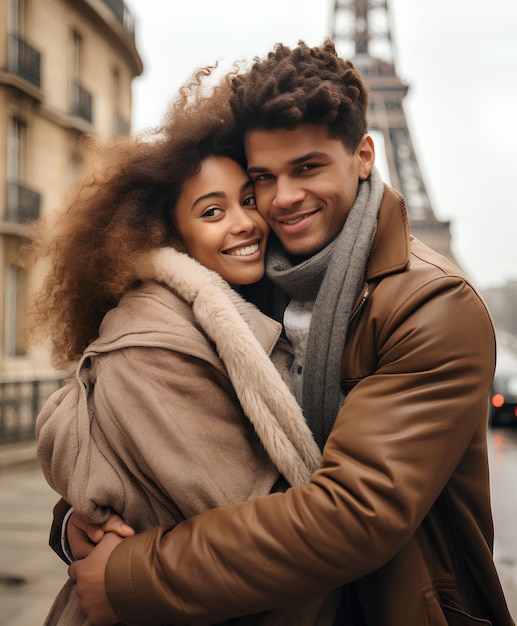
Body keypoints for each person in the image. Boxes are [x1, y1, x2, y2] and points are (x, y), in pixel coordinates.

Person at [65, 39, 513, 626]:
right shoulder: (251, 281)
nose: (284, 198)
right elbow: (137, 450)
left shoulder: (434, 305)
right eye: (263, 179)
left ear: (363, 155)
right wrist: (81, 522)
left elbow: (355, 513)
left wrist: (129, 575)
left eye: (307, 167)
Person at [27, 68, 341, 626]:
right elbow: (249, 522)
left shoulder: (241, 315)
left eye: (249, 199)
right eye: (213, 212)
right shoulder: (154, 345)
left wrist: (71, 527)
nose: (246, 223)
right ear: (169, 236)